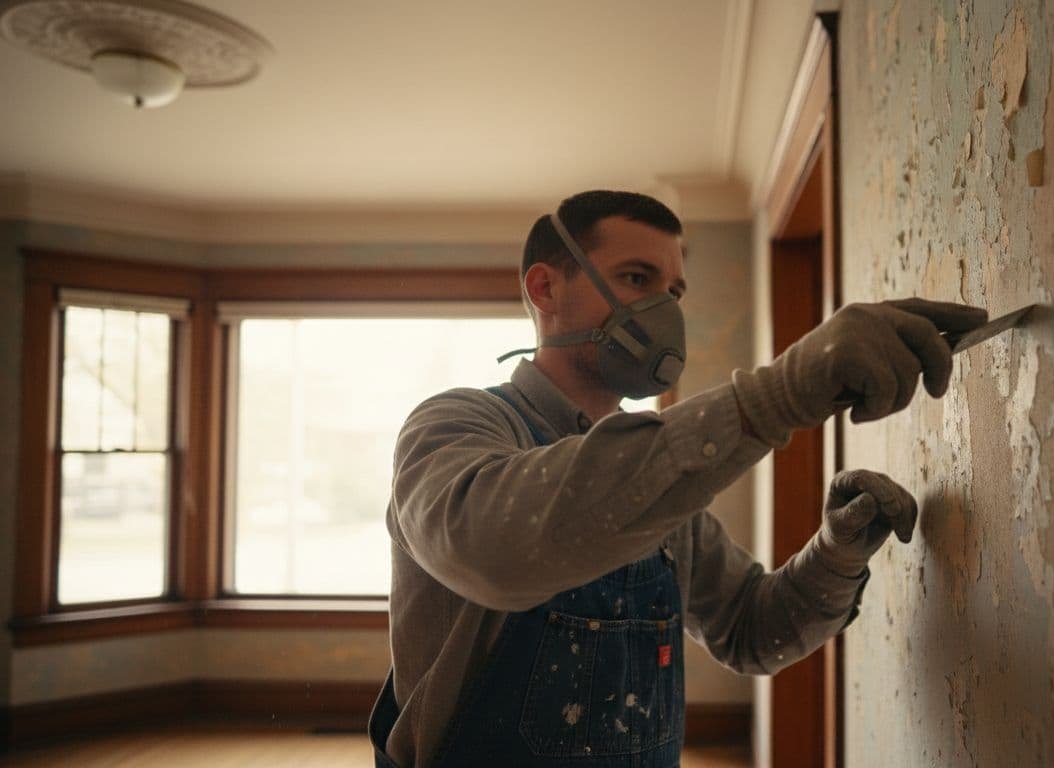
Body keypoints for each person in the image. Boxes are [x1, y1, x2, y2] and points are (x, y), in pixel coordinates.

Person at [368, 190, 987, 767]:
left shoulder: (660, 487)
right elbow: (497, 549)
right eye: (637, 279)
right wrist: (778, 396)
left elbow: (750, 630)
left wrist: (835, 555)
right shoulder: (454, 425)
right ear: (545, 288)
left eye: (675, 290)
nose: (664, 309)